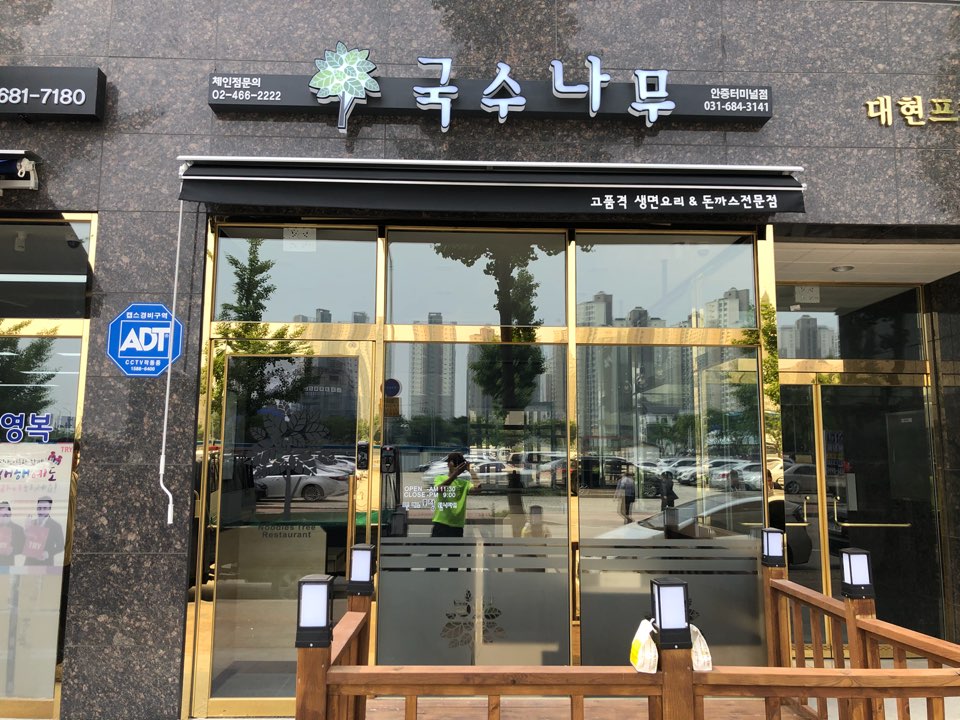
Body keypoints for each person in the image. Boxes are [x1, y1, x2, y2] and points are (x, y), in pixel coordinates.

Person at [431, 452, 480, 538]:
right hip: (441, 522)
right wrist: (455, 475)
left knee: (455, 547)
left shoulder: (464, 483)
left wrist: (471, 471)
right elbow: (439, 489)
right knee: (436, 547)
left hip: (457, 525)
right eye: (454, 463)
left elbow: (478, 490)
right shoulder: (440, 478)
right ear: (449, 464)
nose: (456, 466)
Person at [23, 496, 64, 566]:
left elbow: (61, 546)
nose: (41, 511)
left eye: (45, 508)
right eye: (39, 508)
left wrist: (48, 553)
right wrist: (26, 529)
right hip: (29, 563)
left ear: (49, 509)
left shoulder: (56, 526)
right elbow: (24, 544)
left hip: (46, 564)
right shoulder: (31, 523)